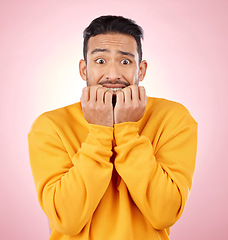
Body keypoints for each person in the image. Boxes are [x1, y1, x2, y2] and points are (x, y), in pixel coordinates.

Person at [28, 15, 198, 240]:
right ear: (83, 69)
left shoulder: (173, 118)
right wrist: (100, 131)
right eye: (100, 61)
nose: (113, 74)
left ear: (141, 70)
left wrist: (127, 130)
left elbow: (165, 214)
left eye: (125, 62)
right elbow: (66, 220)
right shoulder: (51, 126)